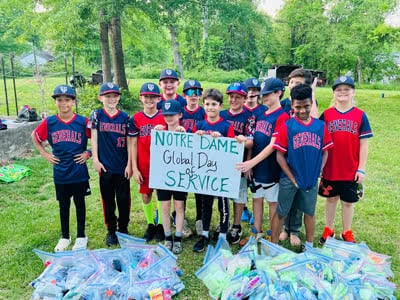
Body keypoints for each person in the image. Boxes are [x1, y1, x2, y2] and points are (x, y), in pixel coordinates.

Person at [271, 84, 333, 251]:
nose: (302, 110)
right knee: (281, 211)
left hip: (310, 179)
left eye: (306, 106)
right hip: (289, 178)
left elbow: (325, 152)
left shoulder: (320, 126)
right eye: (298, 107)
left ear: (312, 103)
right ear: (292, 105)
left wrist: (319, 170)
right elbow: (279, 155)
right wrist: (292, 178)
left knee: (309, 212)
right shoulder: (288, 126)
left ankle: (310, 246)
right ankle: (274, 245)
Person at [32, 84, 91, 252]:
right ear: (55, 102)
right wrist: (45, 154)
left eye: (67, 100)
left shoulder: (82, 121)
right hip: (61, 172)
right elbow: (35, 136)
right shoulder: (50, 122)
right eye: (59, 100)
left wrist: (88, 152)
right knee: (63, 205)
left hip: (79, 171)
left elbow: (97, 138)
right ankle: (65, 236)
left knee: (80, 203)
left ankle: (81, 236)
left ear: (73, 102)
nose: (63, 103)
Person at [318, 76, 373, 244]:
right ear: (333, 93)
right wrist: (319, 166)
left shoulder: (360, 115)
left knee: (348, 202)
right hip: (330, 167)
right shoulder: (326, 115)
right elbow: (319, 142)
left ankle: (347, 231)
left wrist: (361, 168)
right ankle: (329, 228)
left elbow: (364, 144)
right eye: (338, 89)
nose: (342, 92)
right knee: (331, 199)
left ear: (353, 92)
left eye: (346, 89)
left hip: (350, 168)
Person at [237, 78, 289, 241]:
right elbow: (255, 140)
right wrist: (251, 163)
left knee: (272, 202)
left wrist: (251, 162)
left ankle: (274, 235)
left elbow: (273, 145)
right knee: (257, 199)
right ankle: (257, 233)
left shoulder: (282, 116)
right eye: (263, 94)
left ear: (278, 93)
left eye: (268, 94)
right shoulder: (260, 114)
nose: (264, 97)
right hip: (257, 166)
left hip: (271, 166)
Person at [192, 88, 236, 252]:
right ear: (203, 105)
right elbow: (190, 148)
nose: (211, 107)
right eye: (208, 104)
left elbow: (233, 149)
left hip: (222, 172)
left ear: (220, 106)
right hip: (205, 172)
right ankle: (204, 234)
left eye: (214, 104)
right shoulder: (200, 125)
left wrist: (223, 139)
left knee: (223, 205)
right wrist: (196, 136)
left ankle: (223, 235)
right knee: (206, 204)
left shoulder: (226, 126)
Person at [279, 68, 318, 246]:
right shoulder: (283, 104)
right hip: (285, 153)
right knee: (285, 195)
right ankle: (283, 228)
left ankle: (294, 229)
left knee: (299, 196)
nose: (294, 85)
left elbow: (315, 120)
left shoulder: (308, 103)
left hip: (303, 155)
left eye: (299, 83)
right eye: (292, 82)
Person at [89, 82, 131, 247]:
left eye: (114, 95)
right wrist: (95, 159)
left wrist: (129, 164)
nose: (111, 99)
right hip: (105, 165)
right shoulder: (97, 115)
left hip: (122, 165)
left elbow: (130, 142)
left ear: (119, 97)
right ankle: (111, 230)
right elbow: (94, 137)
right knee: (108, 199)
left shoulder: (125, 117)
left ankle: (123, 228)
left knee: (123, 198)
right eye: (108, 96)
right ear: (101, 98)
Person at [128, 82, 166, 242]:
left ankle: (161, 224)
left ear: (159, 98)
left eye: (153, 97)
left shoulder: (165, 116)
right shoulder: (135, 118)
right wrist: (134, 168)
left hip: (162, 164)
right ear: (141, 98)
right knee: (146, 195)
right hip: (143, 163)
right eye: (146, 97)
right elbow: (133, 143)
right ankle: (150, 223)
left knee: (162, 195)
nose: (149, 100)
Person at [220, 82, 255, 245]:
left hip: (239, 162)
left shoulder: (249, 116)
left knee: (239, 194)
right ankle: (223, 223)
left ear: (244, 98)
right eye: (231, 96)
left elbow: (251, 142)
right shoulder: (221, 114)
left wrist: (248, 161)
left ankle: (236, 225)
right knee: (222, 194)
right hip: (220, 161)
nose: (234, 100)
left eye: (238, 97)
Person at [154, 99, 187, 254]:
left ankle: (178, 237)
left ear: (180, 115)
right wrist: (157, 133)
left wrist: (184, 133)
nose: (169, 118)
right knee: (165, 207)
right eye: (166, 115)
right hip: (163, 176)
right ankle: (168, 237)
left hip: (180, 176)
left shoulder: (185, 132)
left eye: (172, 115)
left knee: (179, 206)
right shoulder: (160, 132)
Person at [181, 79, 206, 236]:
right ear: (184, 95)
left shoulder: (204, 112)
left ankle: (199, 219)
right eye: (190, 92)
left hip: (199, 157)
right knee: (181, 188)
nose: (194, 95)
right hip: (182, 156)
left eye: (197, 92)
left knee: (199, 189)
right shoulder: (180, 111)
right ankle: (181, 219)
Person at [241, 77, 267, 224]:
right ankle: (244, 208)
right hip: (241, 152)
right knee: (241, 185)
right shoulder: (240, 108)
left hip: (259, 152)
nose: (251, 93)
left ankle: (256, 212)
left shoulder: (263, 110)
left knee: (256, 184)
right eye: (249, 90)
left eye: (255, 90)